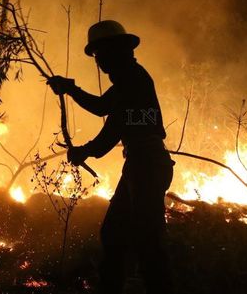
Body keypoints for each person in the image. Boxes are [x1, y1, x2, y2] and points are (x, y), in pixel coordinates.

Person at [48, 20, 175, 294]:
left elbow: (113, 127)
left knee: (147, 239)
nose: (99, 61)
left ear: (118, 50)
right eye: (96, 55)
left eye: (101, 53)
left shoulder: (132, 79)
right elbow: (103, 107)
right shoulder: (131, 78)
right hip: (141, 165)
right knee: (115, 234)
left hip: (146, 166)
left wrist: (86, 150)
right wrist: (71, 89)